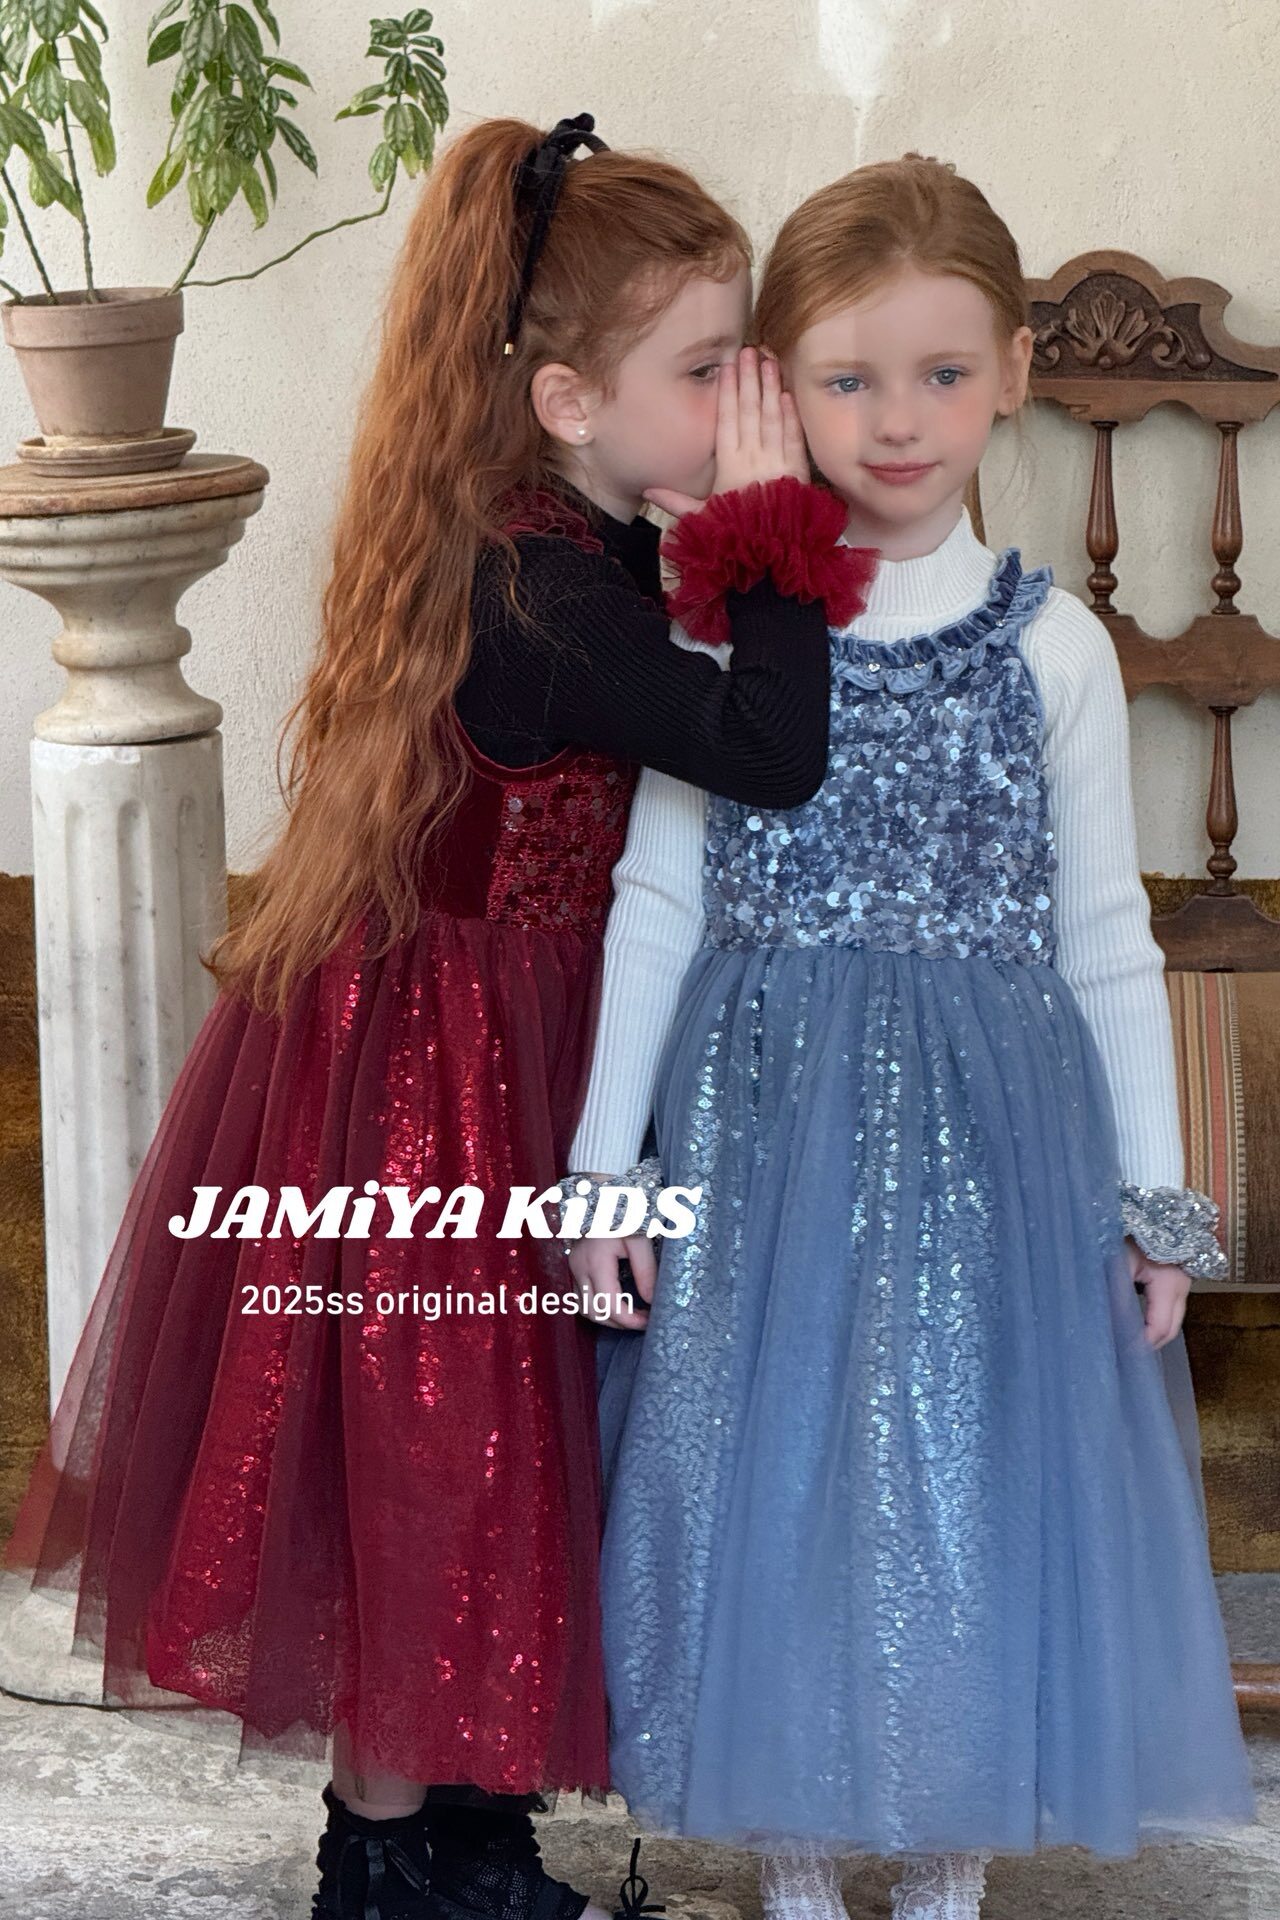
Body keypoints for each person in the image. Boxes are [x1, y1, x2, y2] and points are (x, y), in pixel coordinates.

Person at [0, 115, 875, 1920]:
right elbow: (769, 749)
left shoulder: (569, 538)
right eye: (711, 369)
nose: (749, 403)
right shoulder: (545, 588)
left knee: (505, 1462)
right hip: (452, 1088)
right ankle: (388, 1865)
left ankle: (470, 1839)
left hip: (514, 1042)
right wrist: (779, 529)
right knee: (433, 1463)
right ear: (567, 400)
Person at [564, 154, 1256, 1920]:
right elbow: (660, 899)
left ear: (1013, 372)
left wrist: (1155, 1199)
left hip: (991, 1154)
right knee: (773, 1494)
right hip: (758, 1139)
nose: (897, 421)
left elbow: (1105, 937)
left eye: (943, 373)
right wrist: (600, 1171)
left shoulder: (1057, 650)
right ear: (776, 386)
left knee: (970, 1484)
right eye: (850, 378)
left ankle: (946, 1883)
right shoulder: (719, 626)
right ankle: (798, 1879)